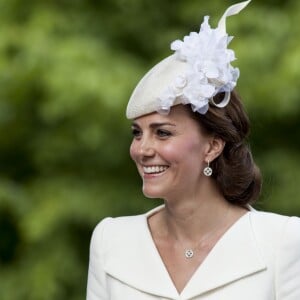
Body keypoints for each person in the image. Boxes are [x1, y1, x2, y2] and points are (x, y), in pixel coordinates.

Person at [86, 1, 300, 299]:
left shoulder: (283, 241)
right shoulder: (110, 240)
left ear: (212, 145)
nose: (142, 149)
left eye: (162, 132)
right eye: (137, 133)